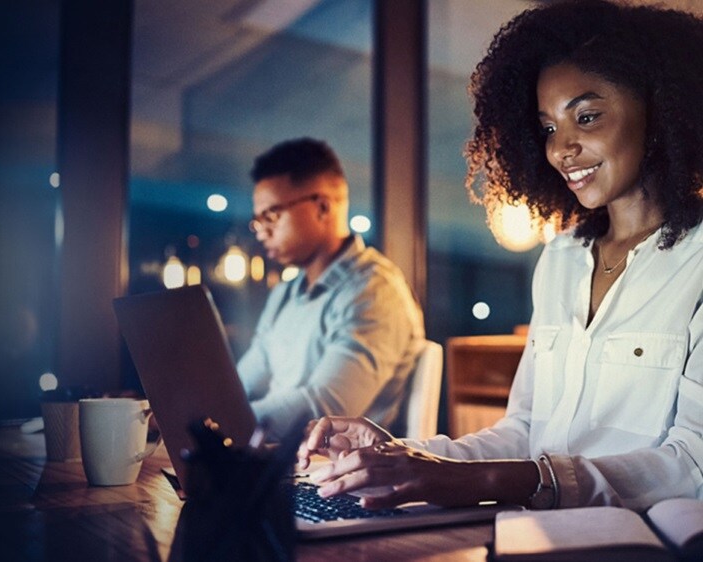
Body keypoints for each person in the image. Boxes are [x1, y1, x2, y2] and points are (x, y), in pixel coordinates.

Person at [298, 0, 703, 512]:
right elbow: (526, 431)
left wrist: (485, 482)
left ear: (664, 109)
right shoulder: (560, 260)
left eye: (587, 116)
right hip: (530, 534)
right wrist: (401, 456)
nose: (561, 150)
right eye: (550, 128)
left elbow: (693, 465)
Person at [235, 137, 425, 442]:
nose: (263, 232)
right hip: (279, 463)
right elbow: (243, 383)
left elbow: (325, 408)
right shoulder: (286, 292)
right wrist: (191, 414)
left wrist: (221, 421)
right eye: (258, 221)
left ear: (322, 207)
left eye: (271, 216)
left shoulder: (374, 291)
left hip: (339, 472)